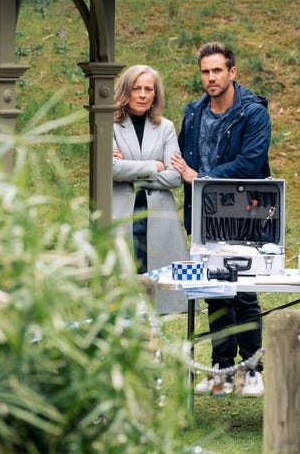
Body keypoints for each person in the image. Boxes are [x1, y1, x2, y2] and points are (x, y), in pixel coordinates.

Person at [172, 42, 272, 397]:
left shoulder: (253, 112)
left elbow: (251, 162)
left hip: (243, 213)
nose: (211, 78)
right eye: (205, 71)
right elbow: (180, 155)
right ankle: (222, 368)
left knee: (243, 292)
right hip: (203, 213)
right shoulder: (194, 112)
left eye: (217, 70)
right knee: (213, 291)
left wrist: (202, 178)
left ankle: (253, 368)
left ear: (232, 72)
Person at [111, 64, 189, 314]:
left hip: (157, 218)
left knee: (155, 285)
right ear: (126, 91)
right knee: (124, 282)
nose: (143, 94)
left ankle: (153, 345)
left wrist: (132, 173)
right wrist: (155, 166)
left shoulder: (165, 126)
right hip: (123, 214)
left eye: (149, 89)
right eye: (137, 88)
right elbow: (111, 170)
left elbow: (174, 176)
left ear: (156, 94)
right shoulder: (109, 124)